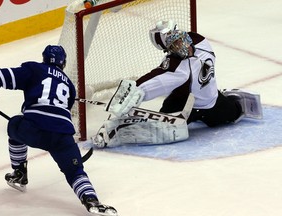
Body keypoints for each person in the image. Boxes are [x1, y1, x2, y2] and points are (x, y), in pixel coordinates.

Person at [93, 20, 262, 148]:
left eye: (181, 40)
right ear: (169, 50)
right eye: (175, 45)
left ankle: (226, 95)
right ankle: (114, 130)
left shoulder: (202, 42)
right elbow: (156, 79)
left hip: (212, 101)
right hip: (183, 105)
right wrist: (134, 91)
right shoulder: (175, 66)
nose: (182, 47)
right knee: (160, 130)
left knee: (234, 114)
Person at [0, 45, 118, 216]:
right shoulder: (69, 85)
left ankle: (19, 173)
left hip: (34, 129)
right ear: (63, 63)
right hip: (63, 135)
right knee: (75, 171)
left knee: (15, 125)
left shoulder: (34, 69)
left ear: (44, 58)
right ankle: (91, 200)